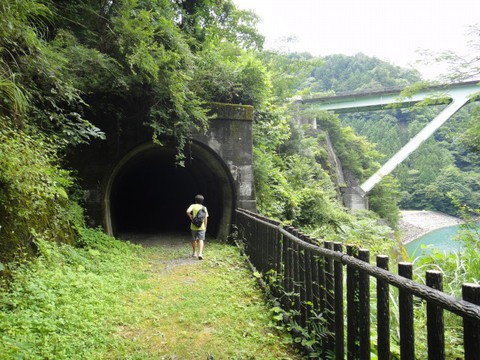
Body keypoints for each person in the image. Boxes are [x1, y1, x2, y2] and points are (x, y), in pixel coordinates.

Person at [186, 194, 209, 260]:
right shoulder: (204, 208)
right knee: (201, 239)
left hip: (193, 226)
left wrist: (190, 216)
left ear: (195, 200)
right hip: (201, 227)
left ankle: (194, 253)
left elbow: (187, 211)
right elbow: (205, 218)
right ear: (202, 201)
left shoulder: (193, 205)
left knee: (194, 239)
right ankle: (200, 253)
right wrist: (205, 226)